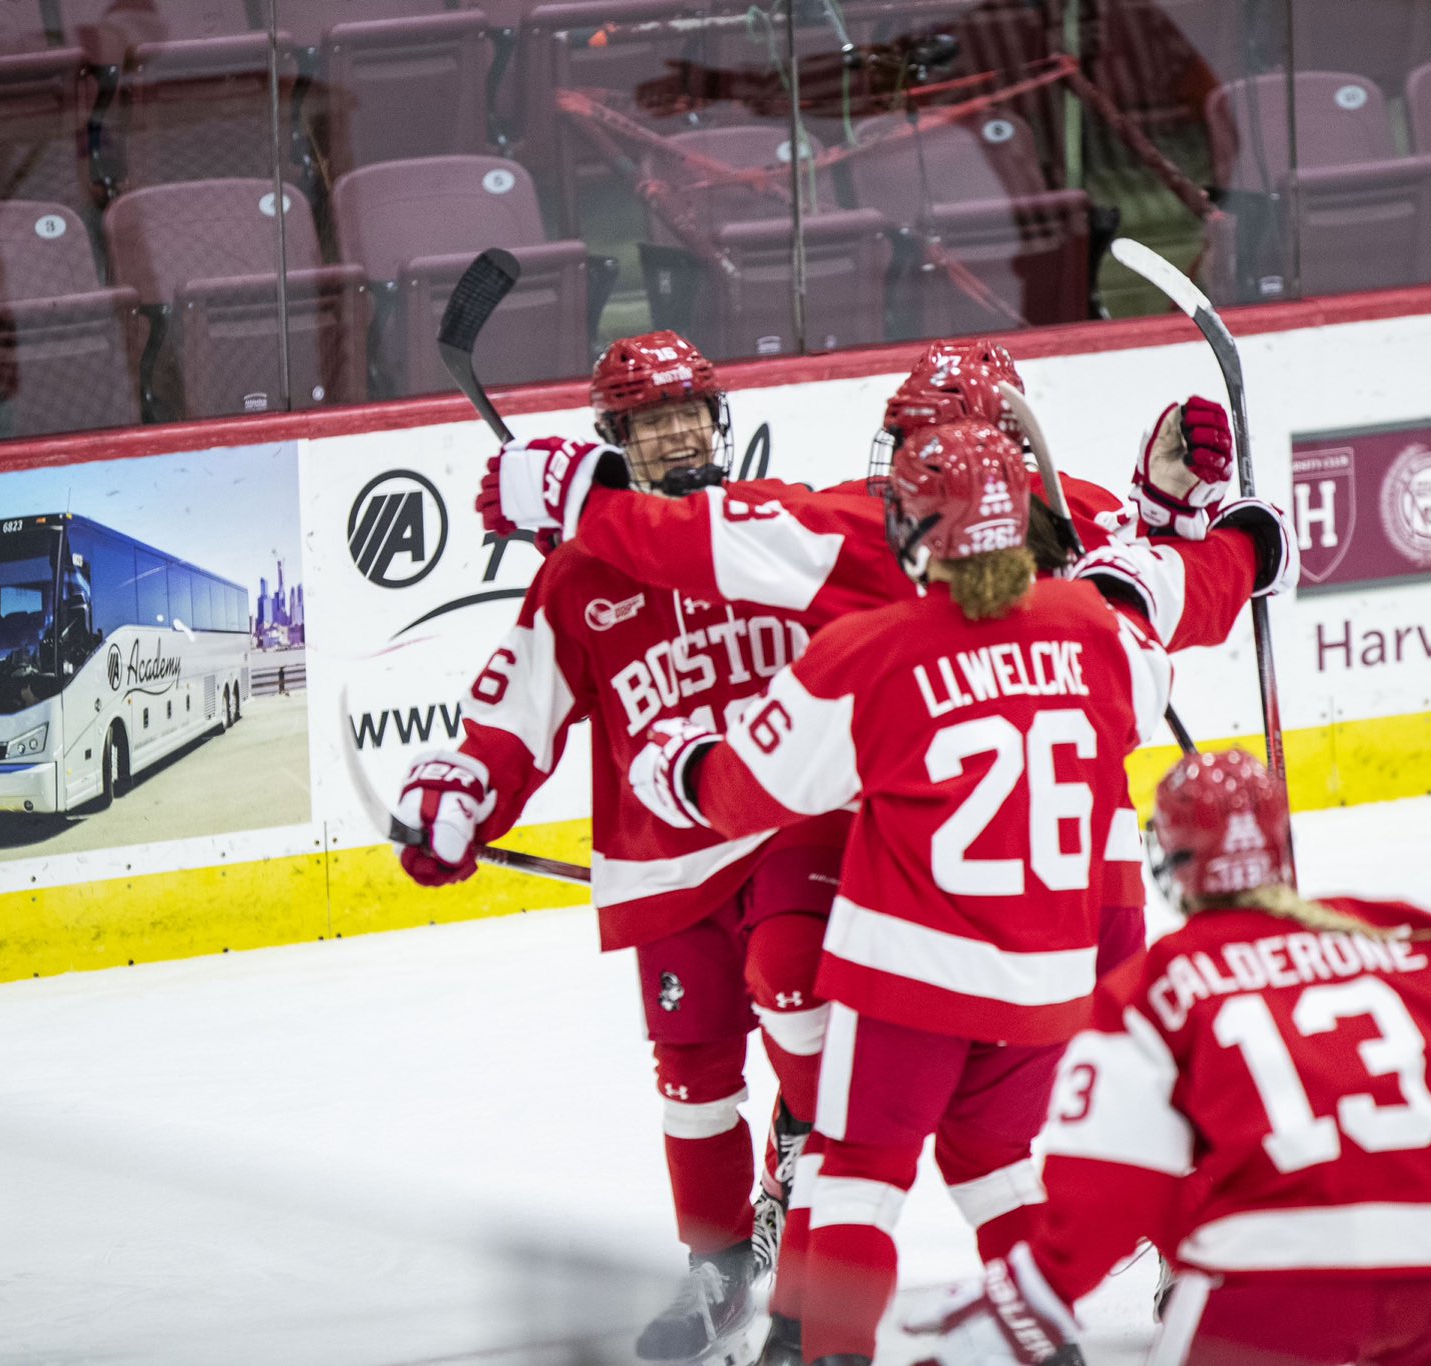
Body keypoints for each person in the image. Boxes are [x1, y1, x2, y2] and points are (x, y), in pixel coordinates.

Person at [487, 340, 1295, 1366]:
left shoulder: (870, 589)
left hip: (922, 933)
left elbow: (760, 750)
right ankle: (1178, 1253)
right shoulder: (1096, 592)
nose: (899, 468)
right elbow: (1168, 599)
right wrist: (1218, 535)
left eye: (919, 445)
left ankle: (811, 1334)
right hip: (1070, 899)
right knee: (1089, 1096)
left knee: (866, 1155)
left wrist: (677, 762)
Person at [393, 330, 834, 1366]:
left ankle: (814, 1268)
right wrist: (468, 785)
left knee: (800, 993)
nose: (675, 432)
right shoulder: (577, 576)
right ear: (616, 439)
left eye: (687, 411)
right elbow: (513, 710)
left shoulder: (771, 526)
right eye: (648, 419)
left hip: (789, 829)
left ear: (717, 420)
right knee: (692, 1073)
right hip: (662, 861)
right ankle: (719, 1266)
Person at [912, 748, 1431, 1366]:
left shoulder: (1153, 988)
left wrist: (1035, 1293)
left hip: (1263, 1295)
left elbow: (1110, 1182)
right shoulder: (1417, 937)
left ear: (1172, 861)